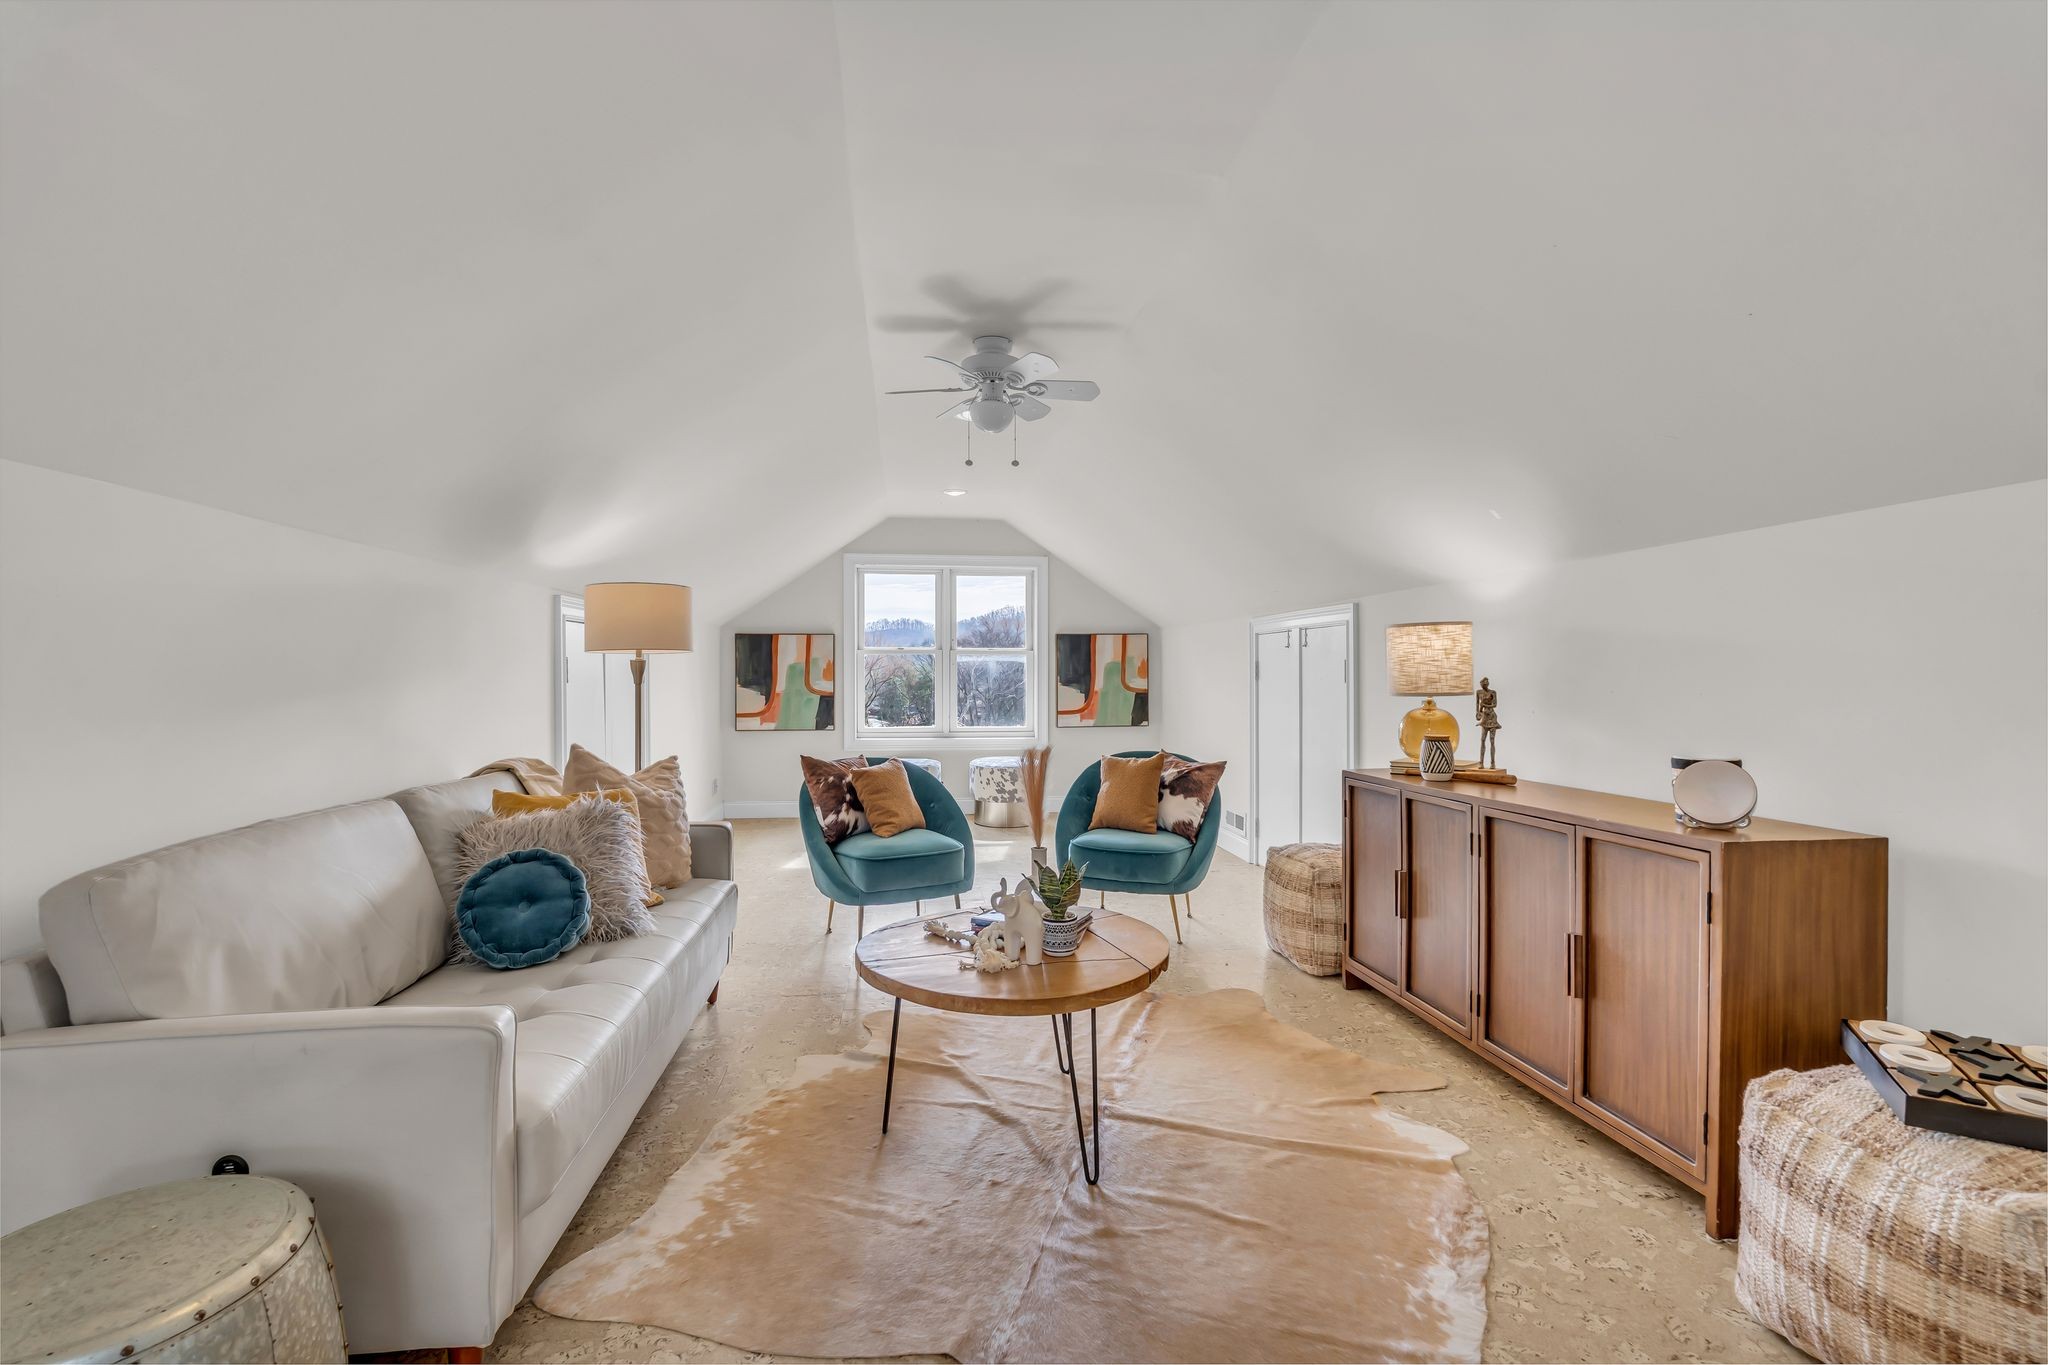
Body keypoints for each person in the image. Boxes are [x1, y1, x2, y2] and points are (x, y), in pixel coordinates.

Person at [1475, 676, 1500, 768]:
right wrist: (1478, 713)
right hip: (1484, 717)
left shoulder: (1493, 692)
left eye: (1485, 683)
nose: (1483, 685)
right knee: (1482, 740)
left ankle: (1492, 763)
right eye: (1482, 684)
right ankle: (1481, 762)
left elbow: (1495, 704)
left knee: (1492, 741)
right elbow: (1477, 704)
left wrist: (1484, 704)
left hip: (1492, 717)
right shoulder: (1479, 692)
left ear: (1487, 684)